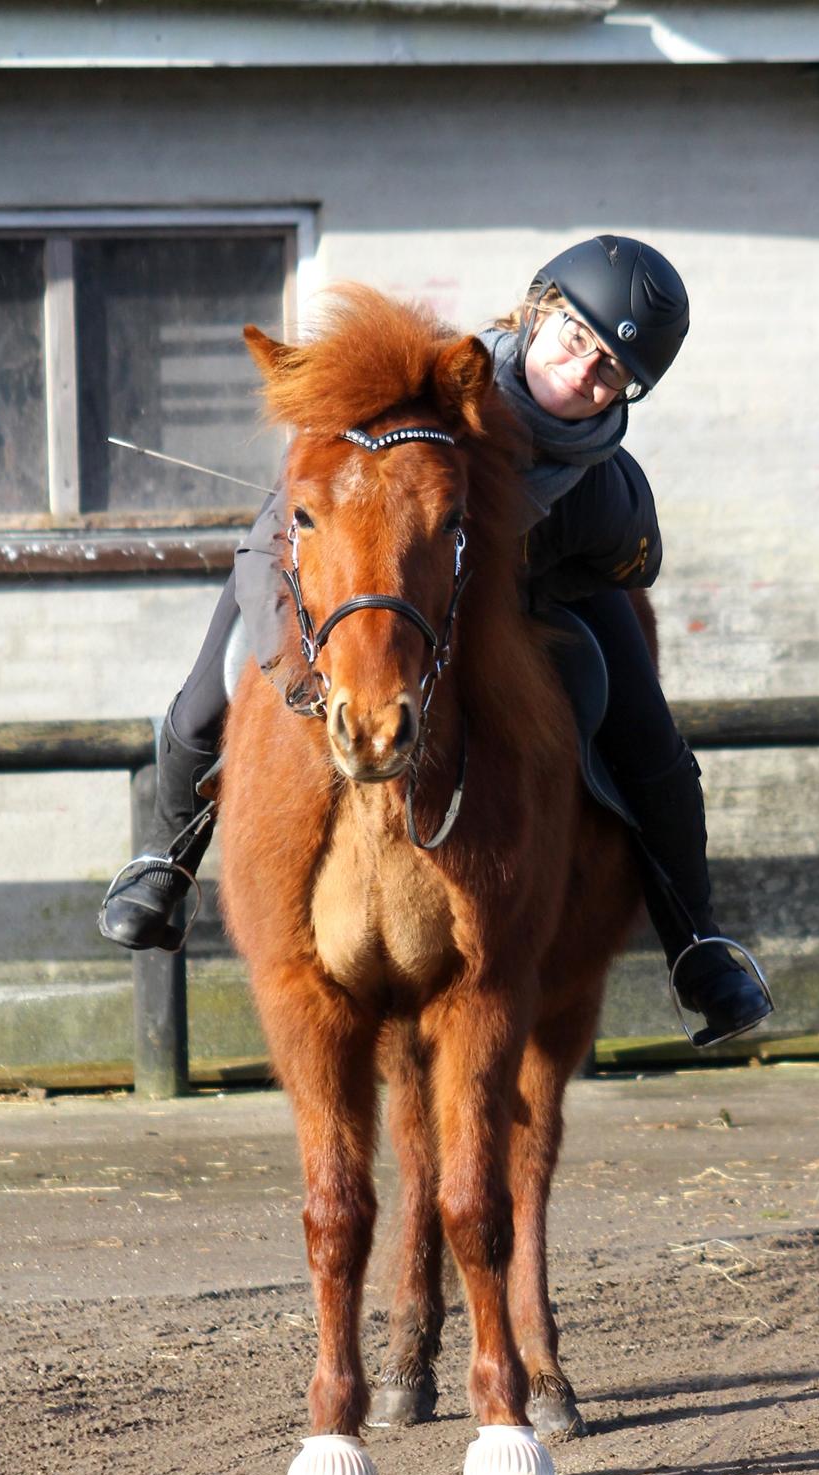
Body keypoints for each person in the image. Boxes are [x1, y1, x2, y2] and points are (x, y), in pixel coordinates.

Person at [99, 235, 773, 1048]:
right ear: (536, 313)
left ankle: (697, 943)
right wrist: (301, 670)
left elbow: (628, 561)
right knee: (216, 683)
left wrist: (518, 600)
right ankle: (164, 862)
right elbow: (316, 526)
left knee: (646, 734)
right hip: (329, 565)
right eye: (574, 339)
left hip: (511, 598)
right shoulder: (440, 386)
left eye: (610, 373)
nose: (581, 373)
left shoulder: (606, 487)